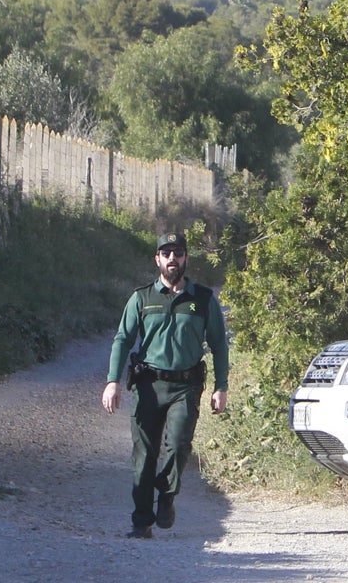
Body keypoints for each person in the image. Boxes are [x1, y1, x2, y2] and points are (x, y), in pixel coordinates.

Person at [101, 231, 229, 539]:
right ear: (157, 259)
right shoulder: (142, 298)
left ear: (186, 259)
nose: (173, 258)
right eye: (166, 253)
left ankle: (167, 495)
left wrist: (221, 386)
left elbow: (219, 344)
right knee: (143, 454)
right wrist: (112, 382)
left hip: (185, 386)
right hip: (148, 385)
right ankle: (141, 522)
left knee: (179, 446)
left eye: (178, 253)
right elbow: (122, 339)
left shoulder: (202, 299)